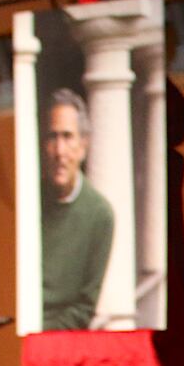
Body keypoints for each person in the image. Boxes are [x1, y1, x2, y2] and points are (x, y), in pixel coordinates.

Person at [41, 87, 115, 331]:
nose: (60, 151)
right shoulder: (31, 202)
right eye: (52, 137)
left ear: (83, 145)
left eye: (67, 137)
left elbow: (84, 307)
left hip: (56, 338)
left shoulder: (99, 214)